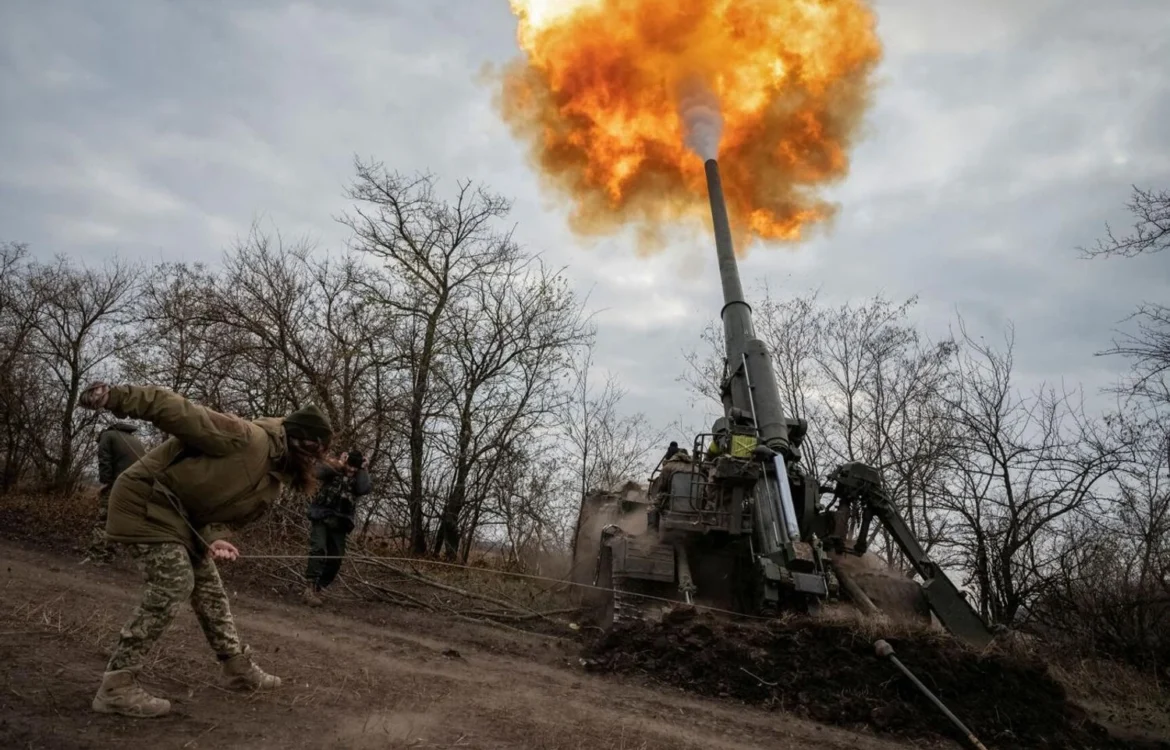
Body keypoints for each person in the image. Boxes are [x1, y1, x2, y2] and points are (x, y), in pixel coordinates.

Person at [76, 382, 333, 718]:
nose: (314, 465)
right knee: (175, 583)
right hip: (145, 499)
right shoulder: (245, 437)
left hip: (181, 517)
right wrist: (117, 397)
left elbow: (219, 511)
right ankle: (116, 686)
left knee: (209, 590)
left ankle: (237, 668)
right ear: (302, 443)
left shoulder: (272, 480)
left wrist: (215, 537)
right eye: (314, 455)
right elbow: (177, 410)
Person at [303, 449, 370, 606]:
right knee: (318, 549)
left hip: (340, 522)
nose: (351, 470)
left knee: (336, 558)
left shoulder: (359, 477)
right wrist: (338, 463)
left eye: (355, 467)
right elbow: (316, 472)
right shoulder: (334, 470)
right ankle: (309, 587)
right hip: (322, 516)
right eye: (350, 466)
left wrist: (365, 469)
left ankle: (319, 587)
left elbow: (363, 489)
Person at [83, 421, 146, 565]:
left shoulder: (106, 436)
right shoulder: (134, 439)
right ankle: (110, 555)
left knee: (104, 519)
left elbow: (104, 460)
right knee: (120, 520)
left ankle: (97, 556)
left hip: (121, 483)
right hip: (139, 486)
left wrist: (106, 483)